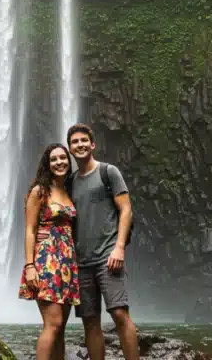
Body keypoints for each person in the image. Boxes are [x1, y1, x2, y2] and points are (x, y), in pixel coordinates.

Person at [65, 123, 138, 360]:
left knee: (119, 314)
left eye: (83, 140)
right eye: (75, 142)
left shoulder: (109, 172)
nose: (80, 145)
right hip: (81, 262)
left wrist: (119, 248)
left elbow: (126, 210)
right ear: (70, 148)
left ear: (92, 144)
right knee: (90, 322)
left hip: (108, 257)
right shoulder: (70, 182)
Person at [18, 143, 80, 360]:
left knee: (61, 327)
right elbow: (30, 230)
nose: (59, 162)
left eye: (63, 157)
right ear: (47, 163)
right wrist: (29, 266)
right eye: (54, 159)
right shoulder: (39, 191)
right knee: (52, 324)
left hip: (67, 263)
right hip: (46, 261)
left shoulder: (70, 190)